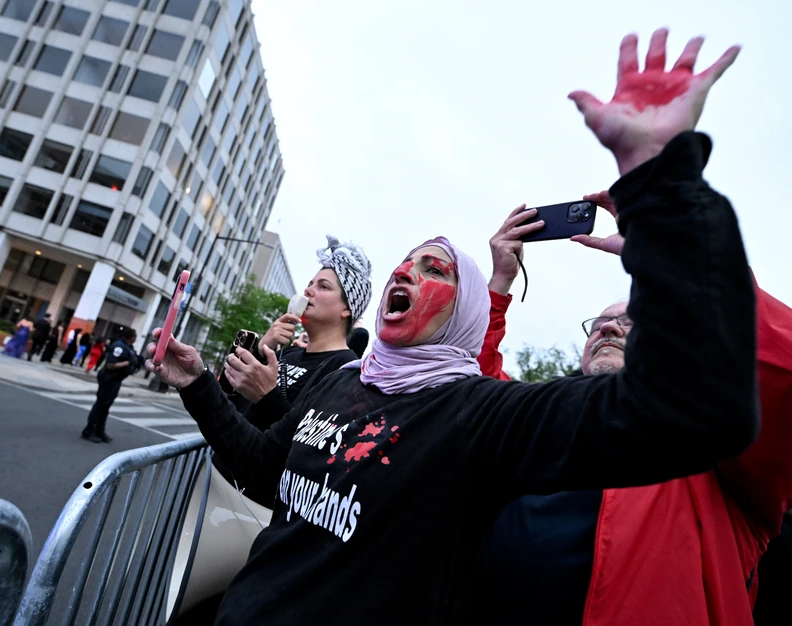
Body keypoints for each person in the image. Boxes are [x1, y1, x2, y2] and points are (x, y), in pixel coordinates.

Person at [144, 30, 758, 625]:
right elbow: (265, 469)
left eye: (433, 268)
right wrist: (198, 384)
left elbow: (697, 409)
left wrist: (664, 187)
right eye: (403, 263)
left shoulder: (478, 416)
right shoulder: (342, 384)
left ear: (462, 316)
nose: (404, 272)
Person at [474, 184, 792, 626]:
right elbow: (473, 398)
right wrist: (499, 285)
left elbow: (780, 369)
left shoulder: (715, 450)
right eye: (599, 325)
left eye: (631, 323)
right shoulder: (540, 427)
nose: (609, 330)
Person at [215, 236, 373, 506]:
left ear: (347, 308)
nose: (308, 291)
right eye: (310, 284)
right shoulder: (287, 353)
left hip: (253, 504)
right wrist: (263, 344)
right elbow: (228, 399)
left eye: (323, 286)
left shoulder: (345, 370)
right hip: (217, 478)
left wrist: (267, 395)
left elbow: (306, 444)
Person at [81, 329, 139, 443]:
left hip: (116, 379)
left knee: (106, 407)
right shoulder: (119, 347)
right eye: (134, 336)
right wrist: (128, 362)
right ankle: (88, 431)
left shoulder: (128, 347)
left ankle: (99, 430)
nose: (135, 339)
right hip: (109, 378)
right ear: (131, 337)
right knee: (100, 405)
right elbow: (110, 365)